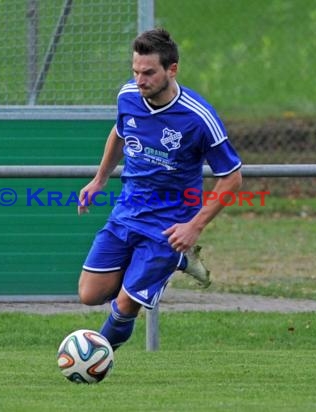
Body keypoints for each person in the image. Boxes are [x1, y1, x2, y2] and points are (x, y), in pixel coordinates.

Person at [77, 28, 242, 350]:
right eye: (136, 71)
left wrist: (195, 226)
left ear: (172, 69)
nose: (140, 80)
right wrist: (99, 180)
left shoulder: (198, 117)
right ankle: (176, 263)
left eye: (149, 73)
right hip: (128, 210)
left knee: (125, 306)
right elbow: (119, 132)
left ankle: (94, 358)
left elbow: (233, 177)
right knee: (90, 294)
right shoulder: (128, 95)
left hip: (169, 224)